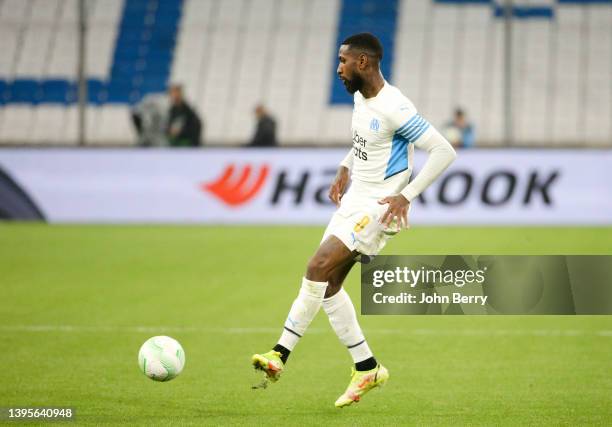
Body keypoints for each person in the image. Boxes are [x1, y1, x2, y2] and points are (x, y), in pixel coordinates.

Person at [251, 33, 456, 407]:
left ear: (363, 62)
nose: (338, 68)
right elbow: (366, 140)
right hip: (353, 201)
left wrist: (405, 195)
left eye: (343, 60)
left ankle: (279, 354)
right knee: (328, 285)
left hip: (377, 208)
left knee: (317, 266)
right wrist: (345, 166)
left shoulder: (395, 106)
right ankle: (367, 367)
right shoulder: (363, 97)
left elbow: (443, 151)